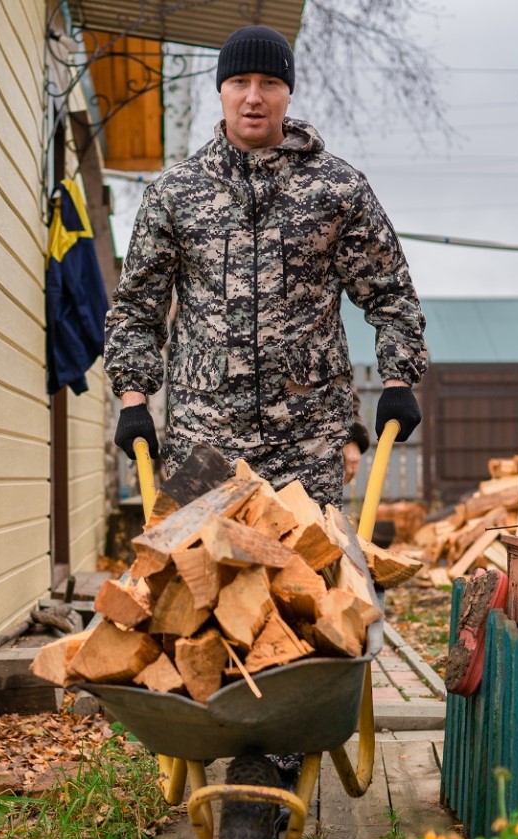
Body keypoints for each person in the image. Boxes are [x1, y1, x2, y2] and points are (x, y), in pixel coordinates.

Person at [104, 25, 428, 510]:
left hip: (307, 443)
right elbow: (136, 312)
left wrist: (397, 383)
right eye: (239, 83)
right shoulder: (174, 195)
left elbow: (390, 296)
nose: (253, 98)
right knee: (202, 579)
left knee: (309, 577)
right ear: (221, 92)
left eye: (269, 83)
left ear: (288, 92)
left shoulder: (337, 190)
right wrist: (133, 400)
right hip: (204, 440)